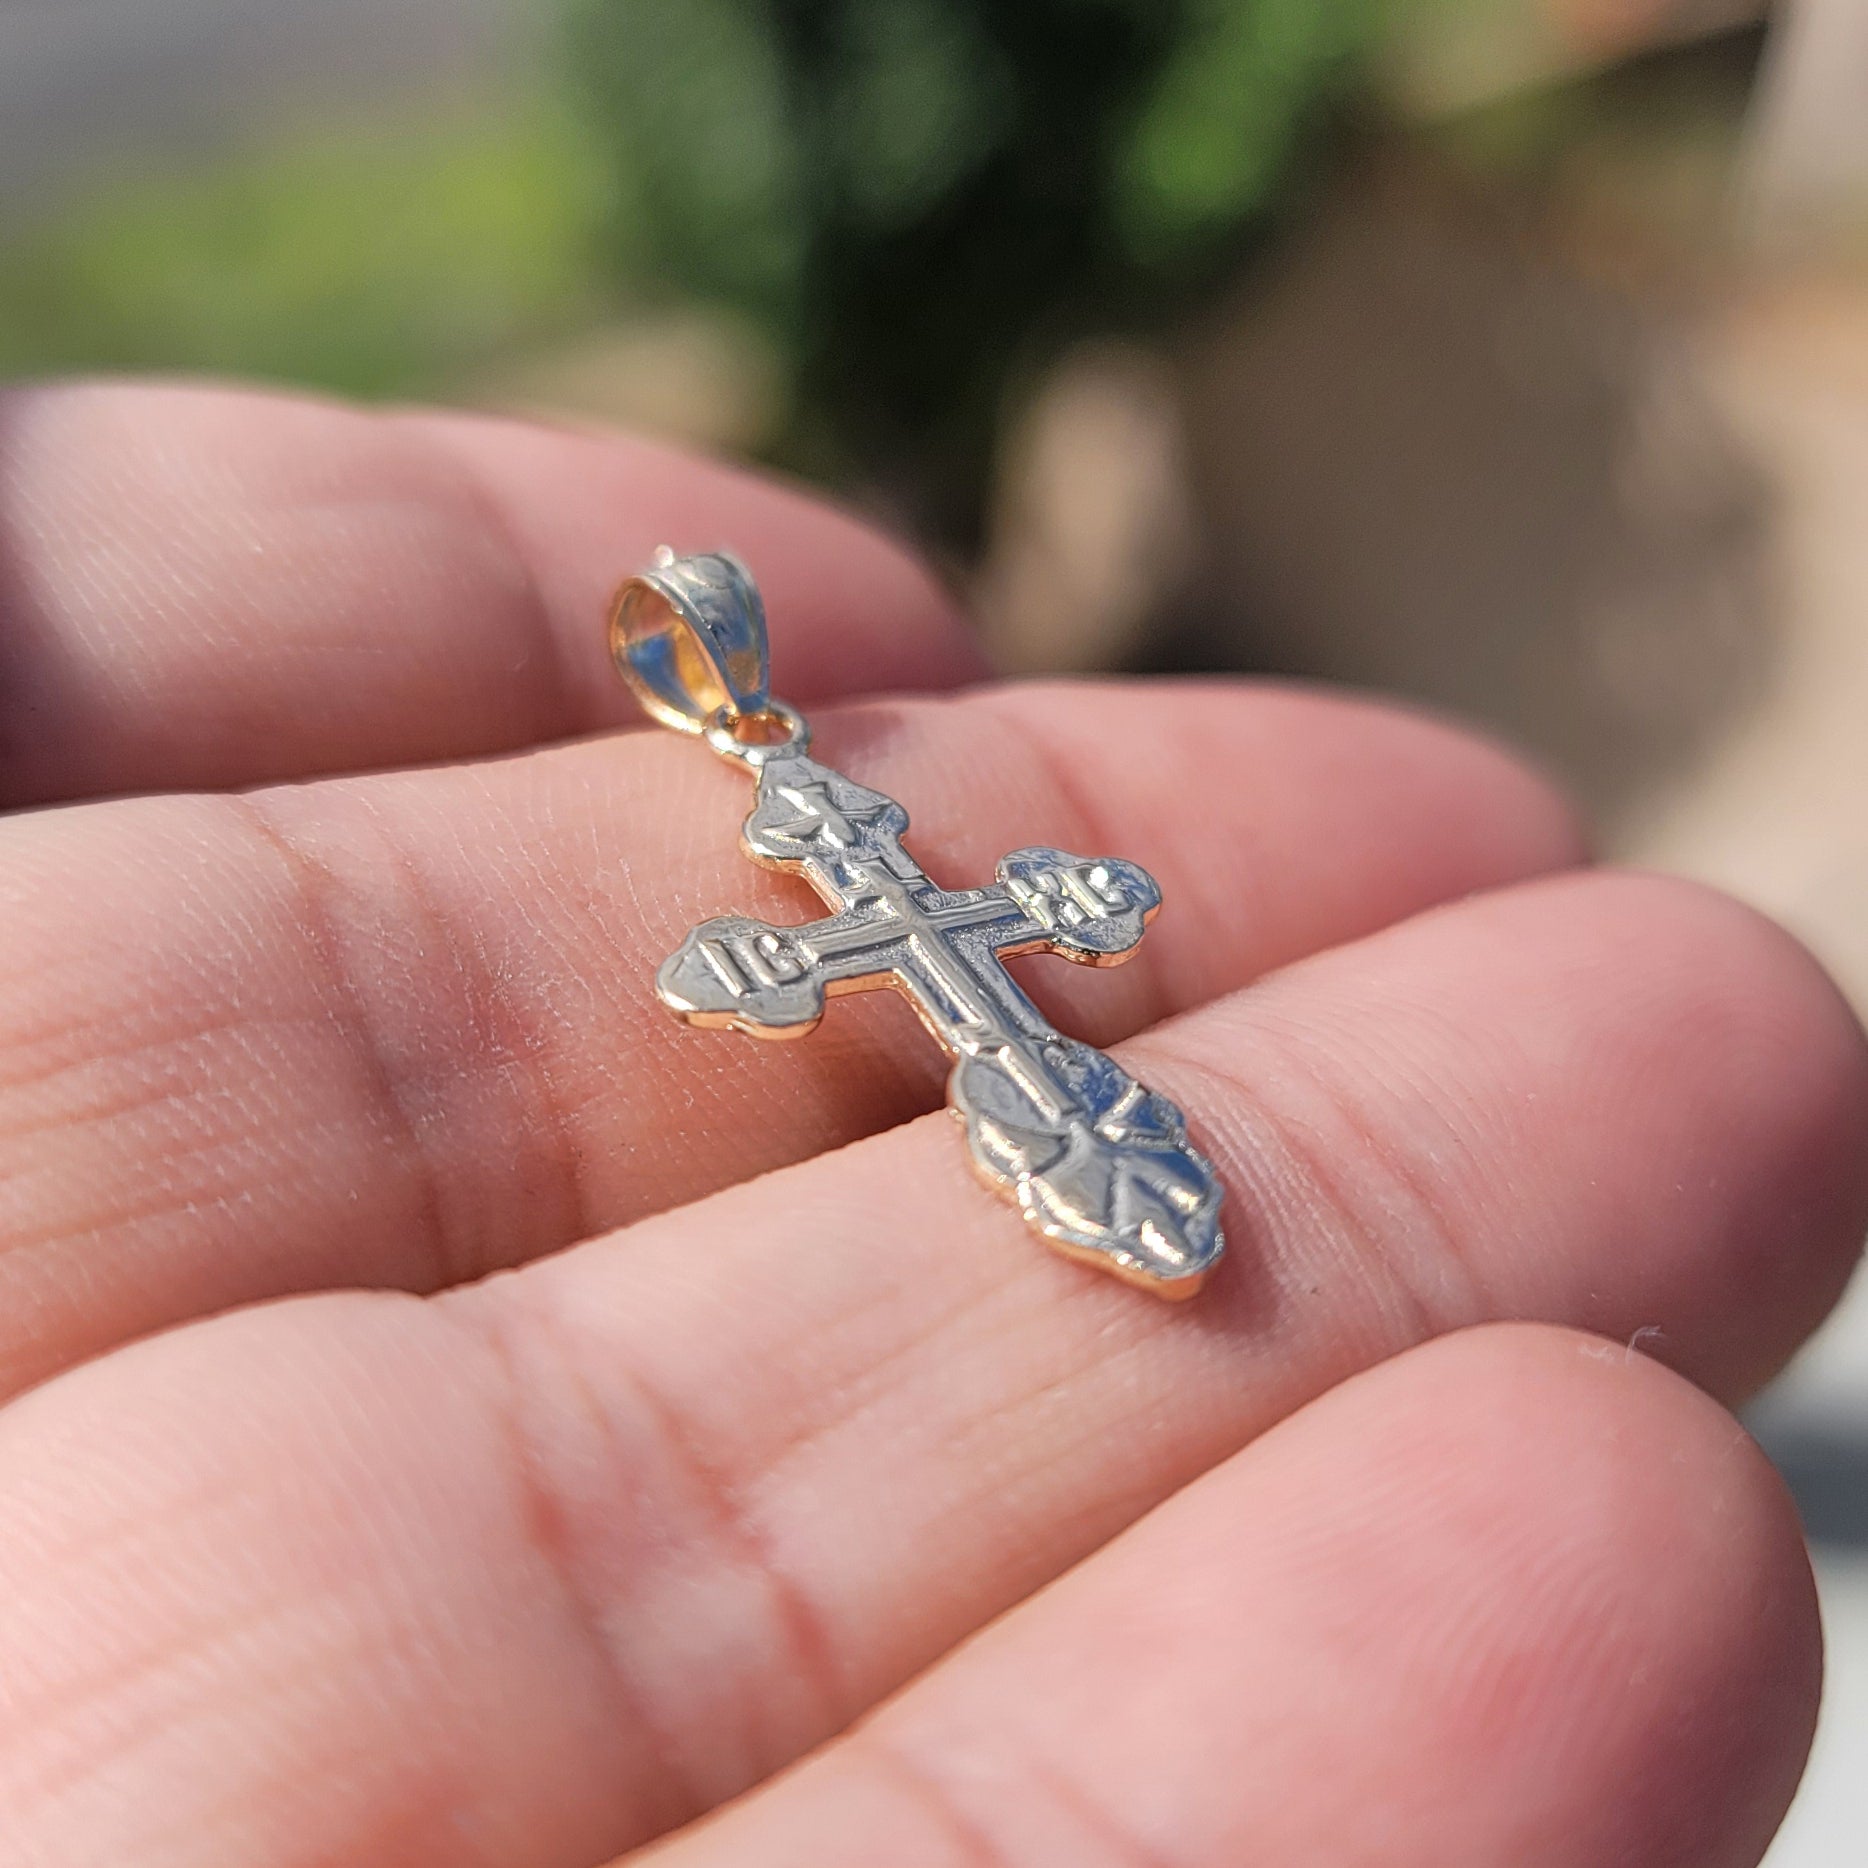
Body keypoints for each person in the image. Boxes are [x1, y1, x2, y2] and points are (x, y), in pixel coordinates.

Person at [0, 380, 1862, 1868]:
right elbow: (799, 962)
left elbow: (1026, 910)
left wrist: (1008, 912)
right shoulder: (824, 885)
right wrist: (832, 952)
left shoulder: (902, 865)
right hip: (998, 1049)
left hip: (1031, 1046)